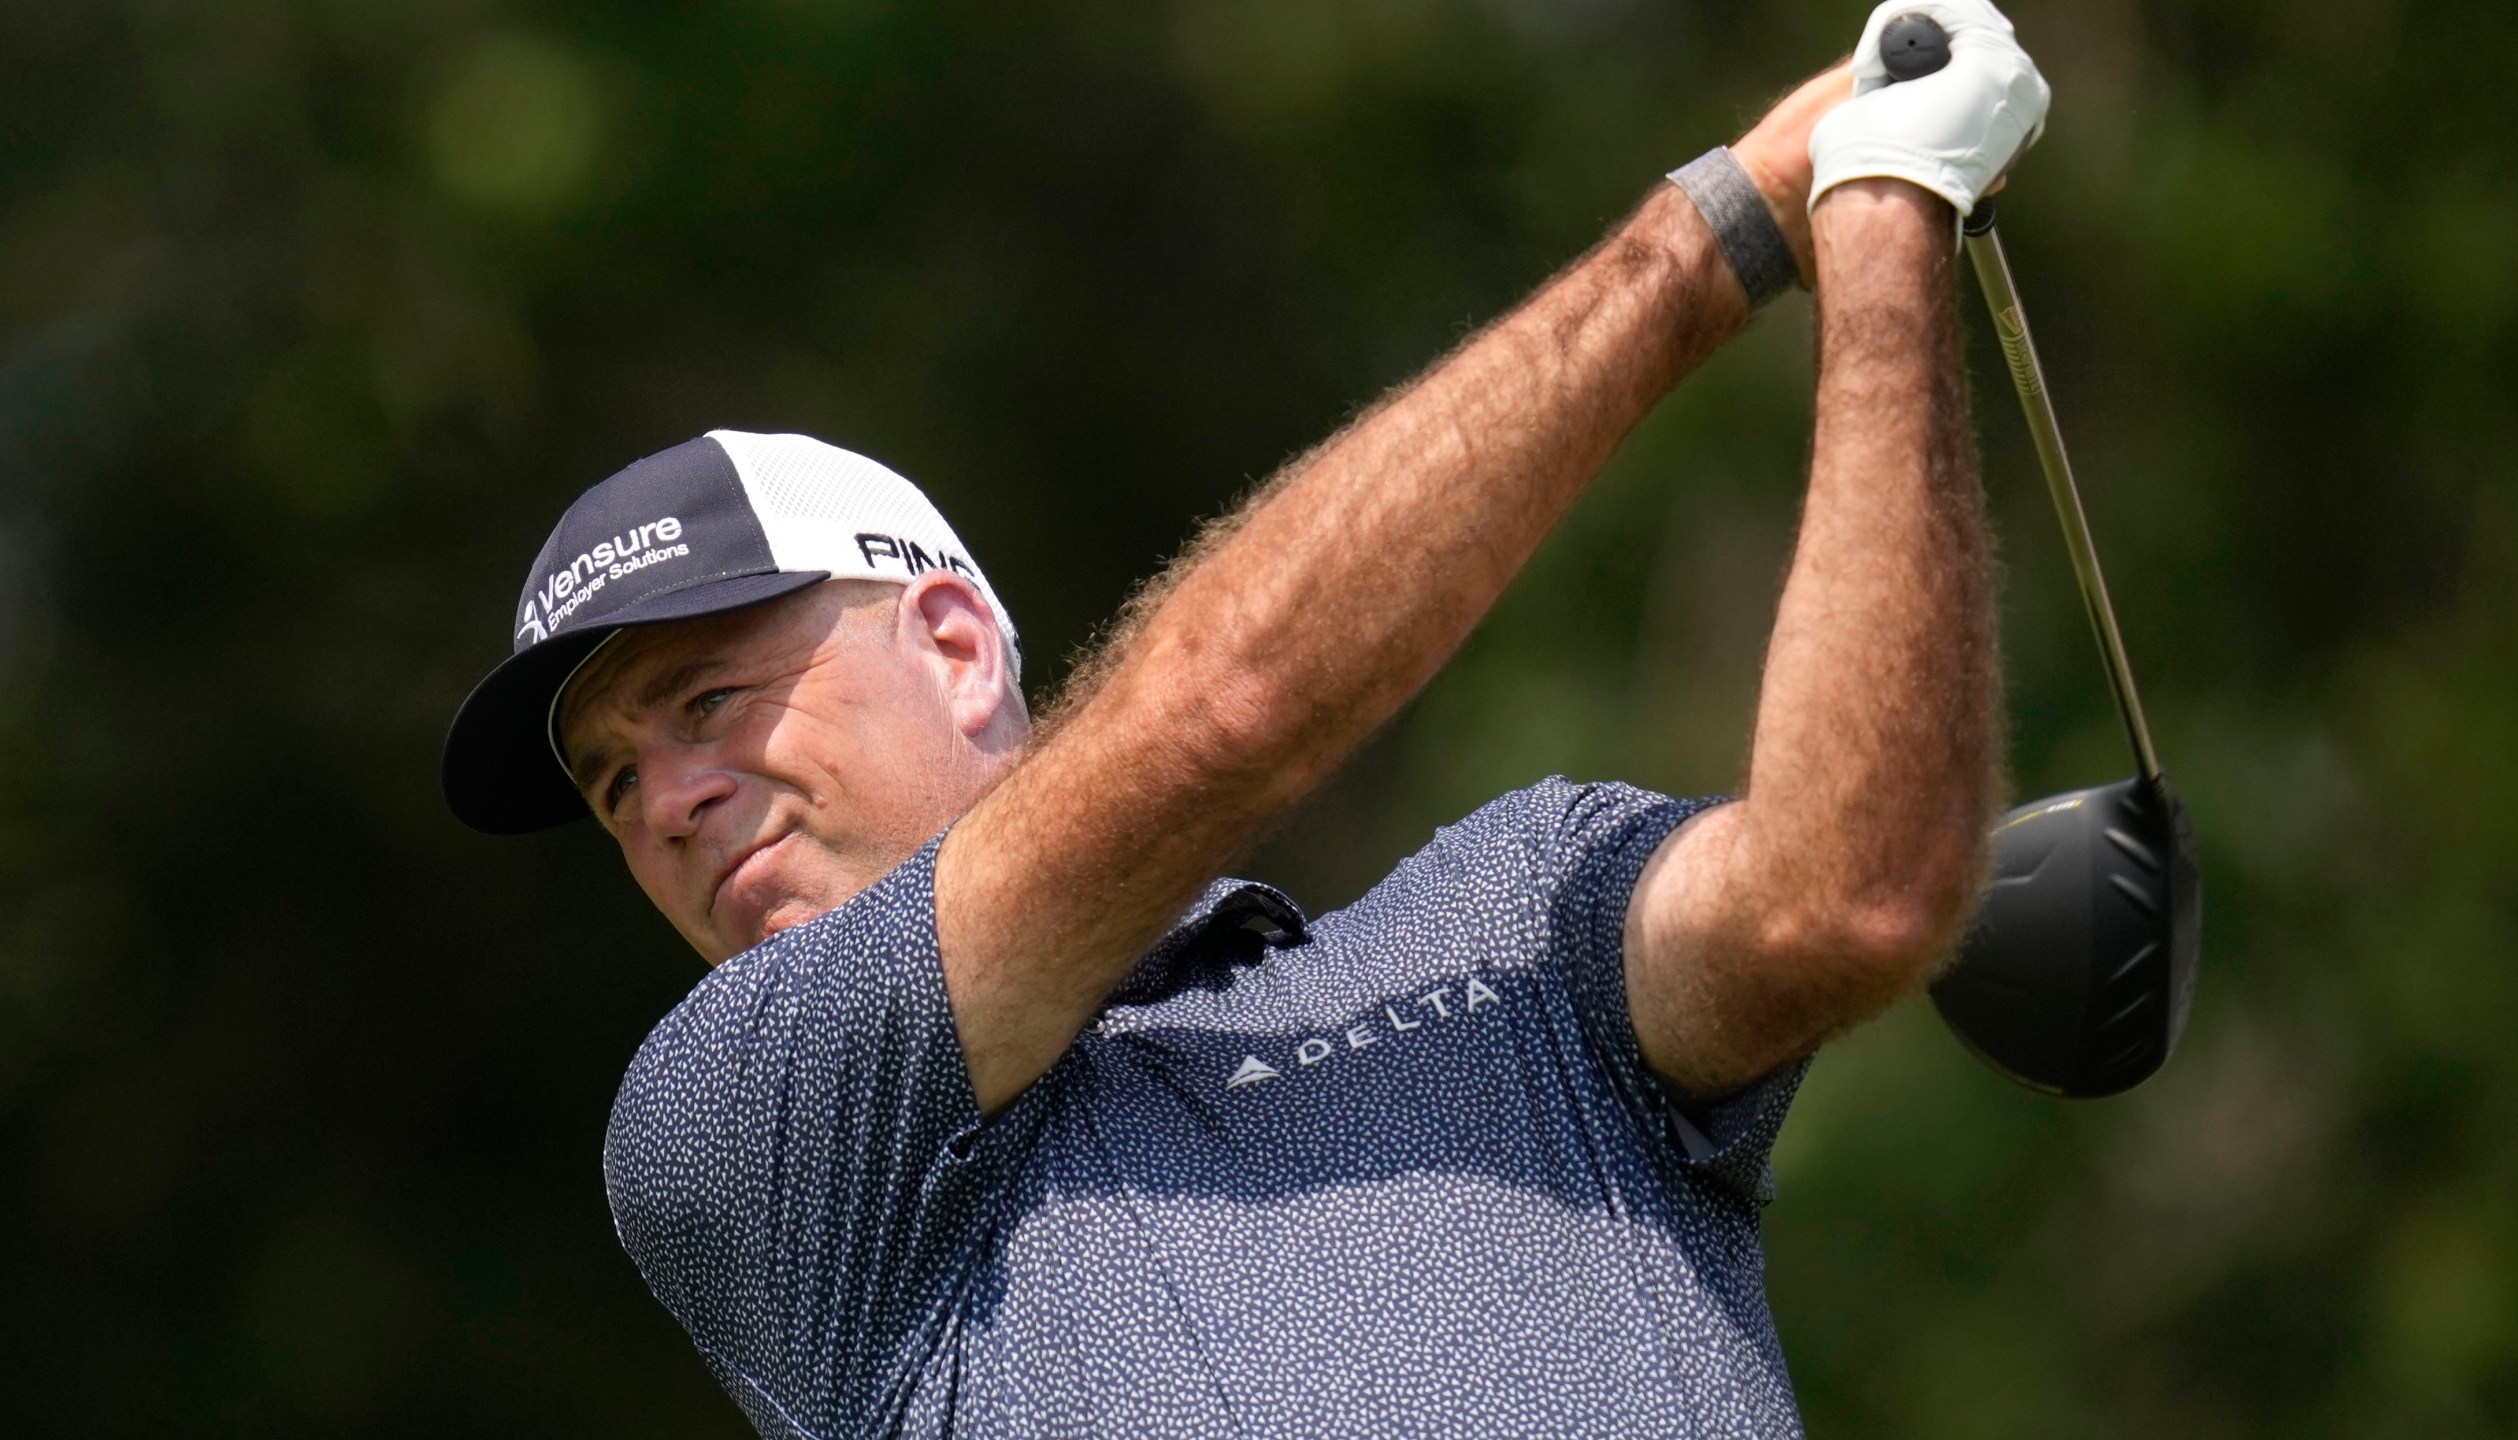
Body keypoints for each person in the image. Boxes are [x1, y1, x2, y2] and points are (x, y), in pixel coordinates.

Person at [438, 4, 2047, 1435]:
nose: (665, 801)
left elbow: (1852, 896)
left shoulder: (1520, 924)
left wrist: (1882, 217)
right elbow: (1230, 709)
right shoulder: (741, 1139)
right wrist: (1734, 223)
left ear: (949, 641)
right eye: (610, 786)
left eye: (708, 702)